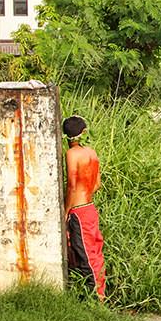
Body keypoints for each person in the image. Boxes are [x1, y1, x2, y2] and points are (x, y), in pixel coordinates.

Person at [63, 115, 106, 299]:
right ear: (84, 132)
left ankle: (97, 297)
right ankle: (99, 294)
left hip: (78, 210)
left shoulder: (71, 154)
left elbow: (72, 186)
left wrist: (65, 212)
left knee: (86, 255)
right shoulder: (92, 153)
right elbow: (97, 184)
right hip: (90, 208)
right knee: (95, 250)